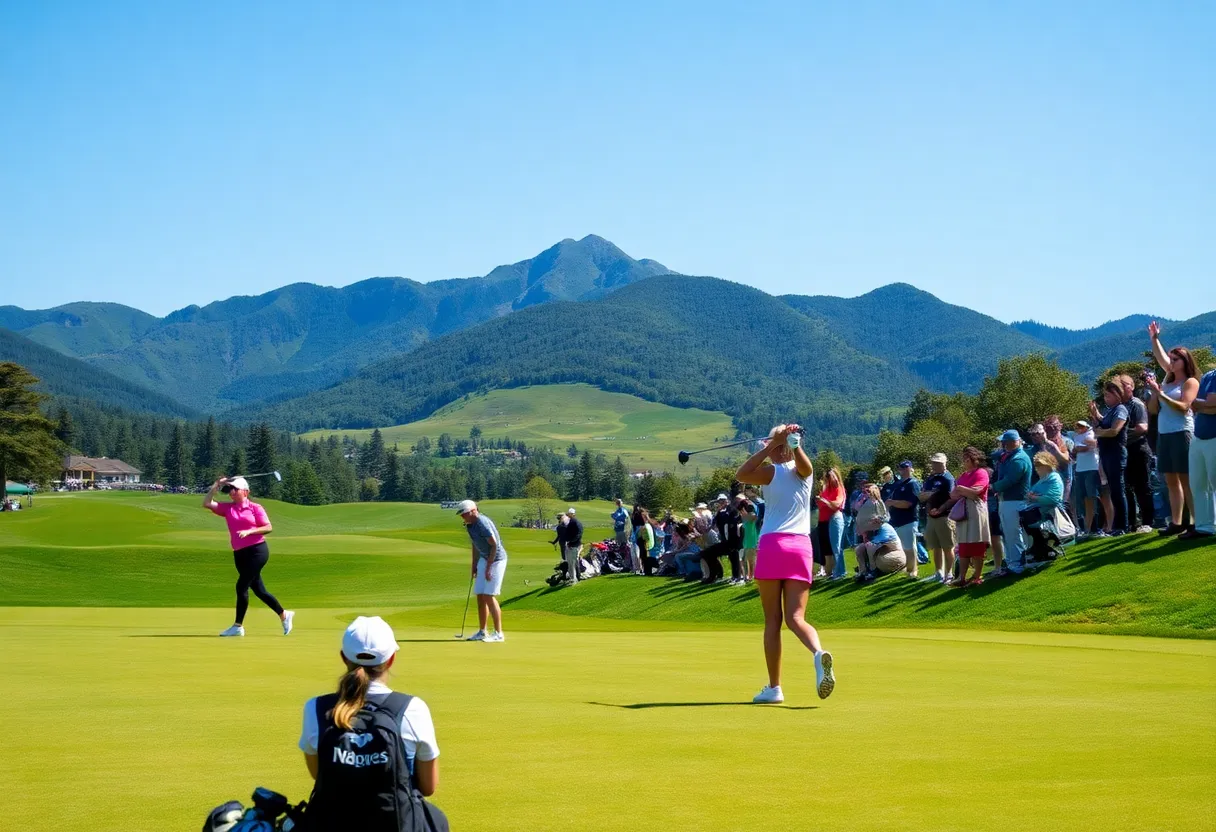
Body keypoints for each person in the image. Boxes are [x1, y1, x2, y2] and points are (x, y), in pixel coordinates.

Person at [300, 615, 448, 832]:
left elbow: (319, 775)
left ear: (343, 657)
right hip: (395, 824)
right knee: (437, 820)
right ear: (390, 660)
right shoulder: (413, 709)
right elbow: (428, 787)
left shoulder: (315, 708)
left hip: (333, 825)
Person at [736, 424, 834, 704]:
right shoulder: (804, 472)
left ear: (777, 447)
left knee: (773, 621)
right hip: (800, 548)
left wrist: (773, 446)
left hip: (773, 546)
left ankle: (774, 687)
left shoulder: (772, 472)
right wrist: (789, 443)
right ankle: (817, 654)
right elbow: (802, 463)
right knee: (796, 618)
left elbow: (742, 475)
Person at [203, 476, 293, 638]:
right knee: (259, 590)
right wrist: (216, 485)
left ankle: (238, 626)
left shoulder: (255, 507)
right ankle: (284, 614)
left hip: (257, 551)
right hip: (239, 554)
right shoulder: (228, 508)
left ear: (246, 492)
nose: (232, 492)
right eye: (230, 489)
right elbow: (207, 503)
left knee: (241, 586)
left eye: (235, 489)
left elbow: (268, 527)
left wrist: (249, 531)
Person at [1146, 323, 1200, 536]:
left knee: (1186, 479)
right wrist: (1154, 339)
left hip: (1182, 432)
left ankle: (1196, 522)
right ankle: (1177, 522)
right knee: (1170, 481)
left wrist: (1162, 395)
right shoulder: (1167, 382)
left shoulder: (1190, 382)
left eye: (1175, 359)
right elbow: (1153, 410)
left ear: (1184, 362)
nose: (1170, 362)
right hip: (1164, 434)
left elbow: (1184, 408)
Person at [456, 500, 507, 642]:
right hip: (484, 558)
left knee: (489, 595)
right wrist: (475, 564)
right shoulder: (470, 525)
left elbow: (494, 545)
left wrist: (489, 567)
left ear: (473, 511)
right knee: (480, 595)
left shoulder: (482, 523)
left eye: (464, 514)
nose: (463, 517)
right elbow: (475, 544)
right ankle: (482, 632)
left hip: (497, 560)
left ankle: (499, 634)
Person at [1115, 375, 1154, 533]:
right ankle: (1132, 523)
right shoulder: (1118, 406)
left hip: (1138, 448)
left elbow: (1142, 428)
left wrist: (1119, 434)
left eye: (1123, 385)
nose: (1120, 389)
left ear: (1131, 387)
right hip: (1125, 451)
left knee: (1142, 486)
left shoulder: (1136, 404)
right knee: (1127, 488)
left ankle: (1147, 521)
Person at [1090, 381, 1130, 537]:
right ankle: (1117, 525)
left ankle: (1122, 525)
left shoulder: (1121, 409)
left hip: (1116, 453)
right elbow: (1104, 423)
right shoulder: (1110, 410)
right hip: (1107, 454)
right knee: (1114, 491)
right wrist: (1095, 414)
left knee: (1118, 491)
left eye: (1108, 395)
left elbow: (1114, 430)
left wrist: (1098, 432)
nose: (1105, 398)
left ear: (1116, 394)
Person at [991, 431, 1032, 577]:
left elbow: (1011, 480)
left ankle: (1017, 565)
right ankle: (1011, 562)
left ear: (1014, 442)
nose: (1004, 445)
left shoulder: (1019, 459)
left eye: (1006, 442)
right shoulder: (1010, 456)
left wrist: (993, 487)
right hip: (1007, 501)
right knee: (1008, 533)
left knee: (1013, 533)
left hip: (1015, 501)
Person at [949, 447, 991, 588]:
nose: (966, 462)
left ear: (976, 460)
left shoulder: (981, 473)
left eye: (968, 459)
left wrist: (961, 489)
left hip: (976, 510)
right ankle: (962, 577)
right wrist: (963, 490)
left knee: (976, 542)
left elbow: (977, 491)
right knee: (963, 544)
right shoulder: (963, 476)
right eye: (965, 459)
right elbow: (953, 494)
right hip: (963, 510)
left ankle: (977, 576)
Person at [1184, 364, 1216, 540]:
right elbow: (1199, 404)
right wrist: (1207, 406)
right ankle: (1204, 526)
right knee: (1198, 483)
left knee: (1215, 480)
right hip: (1199, 436)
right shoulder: (1208, 376)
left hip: (1214, 436)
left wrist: (1202, 404)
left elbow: (1210, 402)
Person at [1022, 451, 1068, 564]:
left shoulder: (1054, 478)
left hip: (1050, 510)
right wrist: (1030, 496)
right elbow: (1031, 495)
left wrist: (1036, 498)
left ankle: (1043, 547)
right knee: (1023, 516)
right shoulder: (1041, 480)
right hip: (1038, 509)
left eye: (1040, 465)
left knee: (1028, 517)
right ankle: (1039, 548)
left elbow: (1053, 499)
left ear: (1048, 465)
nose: (1037, 468)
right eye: (1036, 466)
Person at [919, 452, 956, 584]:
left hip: (945, 516)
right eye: (934, 462)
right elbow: (923, 496)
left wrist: (940, 509)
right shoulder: (931, 479)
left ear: (944, 463)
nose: (935, 465)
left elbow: (952, 497)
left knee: (948, 546)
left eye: (938, 463)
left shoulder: (948, 478)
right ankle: (938, 572)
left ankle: (949, 573)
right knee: (935, 546)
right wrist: (930, 509)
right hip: (931, 516)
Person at [885, 461, 922, 578]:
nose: (903, 470)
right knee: (904, 547)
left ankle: (913, 570)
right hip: (897, 520)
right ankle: (908, 568)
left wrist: (892, 503)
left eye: (906, 468)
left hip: (909, 519)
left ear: (911, 469)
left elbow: (909, 503)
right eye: (901, 468)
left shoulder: (913, 483)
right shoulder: (899, 484)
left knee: (910, 547)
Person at [1071, 420, 1102, 537]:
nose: (1079, 427)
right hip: (1080, 469)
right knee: (1082, 499)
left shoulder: (1091, 433)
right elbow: (1076, 449)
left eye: (1081, 425)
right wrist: (1079, 448)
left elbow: (1089, 446)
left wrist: (1080, 447)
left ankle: (1096, 527)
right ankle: (1086, 528)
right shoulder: (1076, 436)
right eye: (1077, 425)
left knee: (1093, 496)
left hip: (1092, 468)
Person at [814, 468, 846, 580]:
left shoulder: (838, 489)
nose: (827, 479)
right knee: (828, 547)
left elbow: (837, 504)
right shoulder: (826, 489)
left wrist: (824, 501)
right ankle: (832, 572)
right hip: (824, 520)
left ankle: (840, 572)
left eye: (829, 477)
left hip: (834, 518)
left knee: (836, 546)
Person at [738, 495, 759, 583]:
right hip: (746, 542)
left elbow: (755, 516)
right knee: (746, 560)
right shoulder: (745, 518)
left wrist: (750, 502)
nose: (740, 512)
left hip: (751, 542)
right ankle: (749, 576)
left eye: (741, 510)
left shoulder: (751, 516)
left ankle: (751, 577)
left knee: (751, 561)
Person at [551, 512, 572, 581]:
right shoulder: (566, 525)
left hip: (563, 543)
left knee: (565, 558)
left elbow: (559, 536)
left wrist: (554, 542)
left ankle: (567, 573)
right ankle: (568, 573)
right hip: (568, 543)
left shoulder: (560, 527)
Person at [565, 507, 585, 577]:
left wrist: (571, 542)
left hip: (574, 545)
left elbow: (578, 535)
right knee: (574, 561)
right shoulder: (573, 522)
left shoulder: (574, 522)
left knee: (573, 562)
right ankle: (578, 576)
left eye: (569, 514)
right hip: (574, 544)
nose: (568, 516)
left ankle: (575, 577)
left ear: (572, 514)